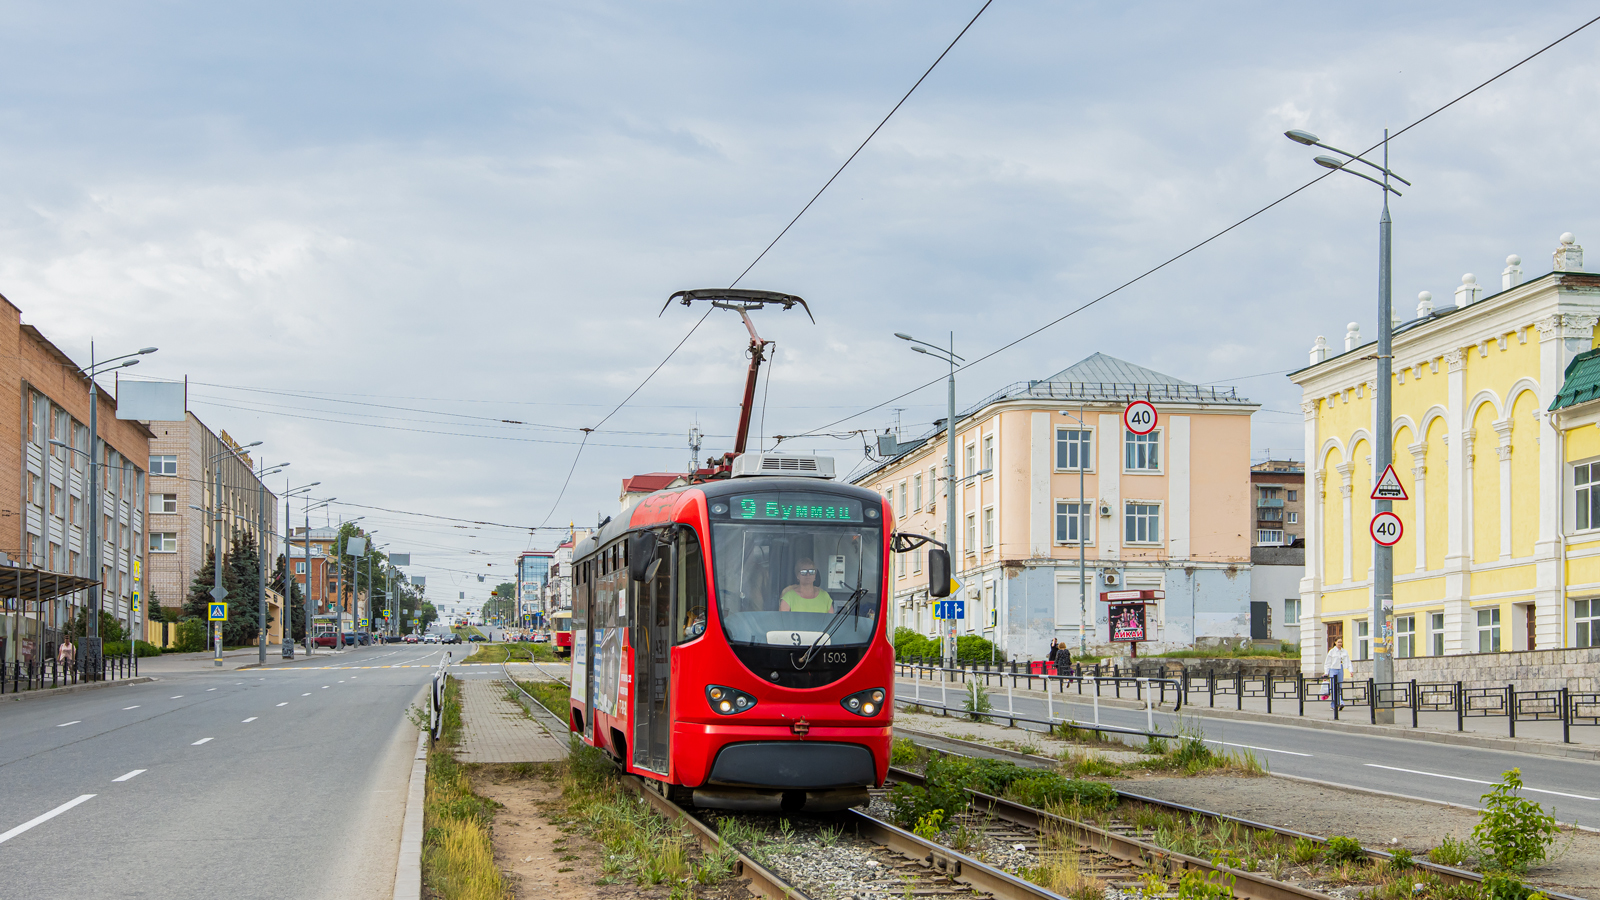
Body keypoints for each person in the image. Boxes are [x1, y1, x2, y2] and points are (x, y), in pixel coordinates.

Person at [1325, 637, 1350, 710]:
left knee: (1339, 686)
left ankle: (1339, 702)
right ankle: (1334, 704)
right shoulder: (1332, 651)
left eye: (1341, 642)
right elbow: (1327, 663)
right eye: (1338, 642)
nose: (1340, 644)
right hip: (1333, 669)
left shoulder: (1344, 651)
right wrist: (1326, 673)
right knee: (1333, 687)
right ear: (1335, 642)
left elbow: (1348, 661)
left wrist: (1350, 670)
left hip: (1340, 669)